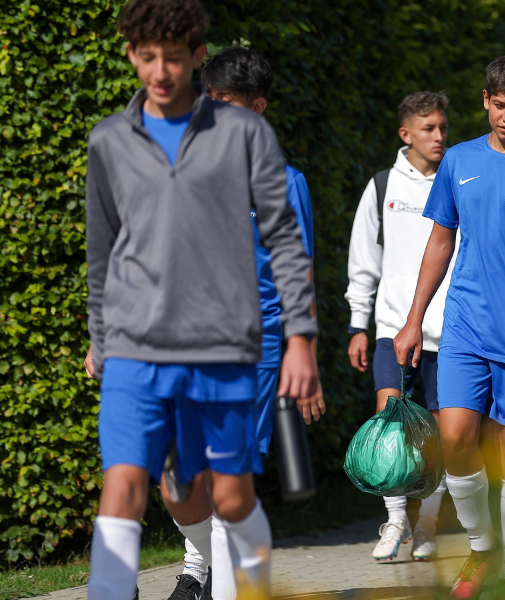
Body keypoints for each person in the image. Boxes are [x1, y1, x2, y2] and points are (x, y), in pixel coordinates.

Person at [84, 2, 319, 598]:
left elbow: (297, 264)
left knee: (228, 483)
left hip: (246, 345)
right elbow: (117, 252)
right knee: (157, 479)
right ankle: (188, 566)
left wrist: (301, 347)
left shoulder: (276, 174)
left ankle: (226, 585)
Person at [392, 55, 505, 600]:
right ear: (485, 100)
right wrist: (412, 321)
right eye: (499, 105)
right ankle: (481, 548)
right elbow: (440, 241)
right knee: (453, 438)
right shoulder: (458, 161)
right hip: (465, 325)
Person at [345, 91, 452, 563]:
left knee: (443, 436)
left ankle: (427, 527)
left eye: (444, 127)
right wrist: (357, 323)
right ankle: (394, 521)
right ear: (406, 134)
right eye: (429, 129)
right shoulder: (383, 184)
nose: (440, 136)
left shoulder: (457, 182)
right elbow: (363, 259)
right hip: (392, 328)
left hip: (450, 332)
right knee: (390, 429)